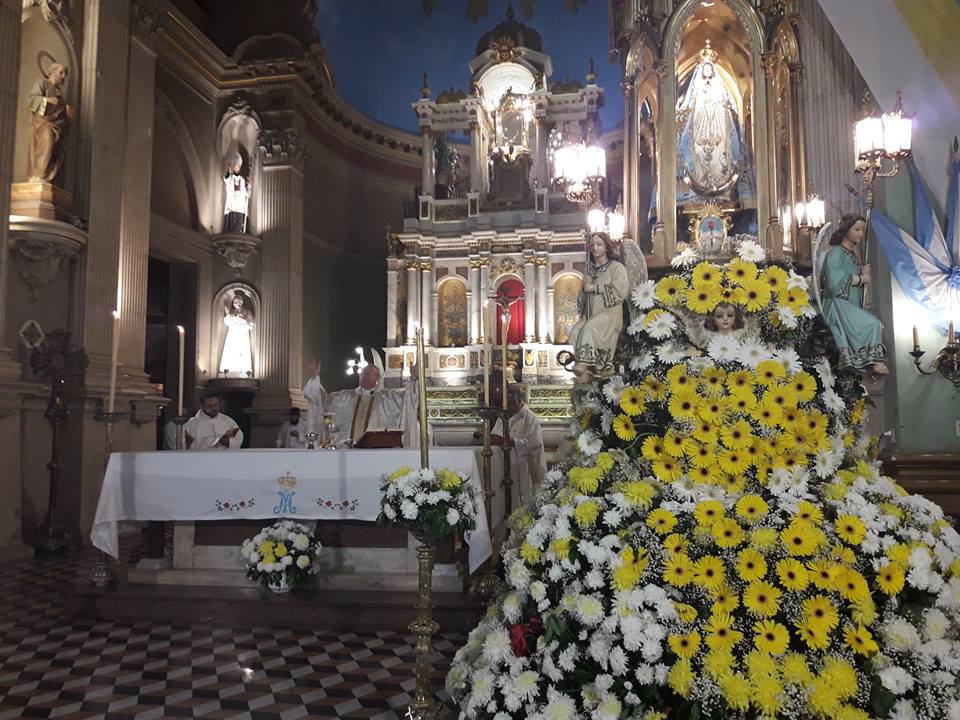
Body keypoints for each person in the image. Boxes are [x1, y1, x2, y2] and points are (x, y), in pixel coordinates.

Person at [820, 214, 888, 375]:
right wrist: (861, 278)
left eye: (862, 230)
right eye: (857, 229)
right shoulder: (836, 252)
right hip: (837, 304)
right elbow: (834, 281)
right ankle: (873, 360)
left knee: (876, 324)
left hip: (848, 304)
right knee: (874, 324)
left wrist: (861, 270)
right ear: (845, 230)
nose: (861, 234)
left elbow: (848, 273)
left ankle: (863, 359)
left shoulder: (850, 254)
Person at [568, 232, 630, 383]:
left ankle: (585, 364)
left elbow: (621, 289)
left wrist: (594, 288)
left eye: (599, 244)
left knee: (589, 328)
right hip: (592, 314)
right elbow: (583, 300)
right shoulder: (590, 271)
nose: (595, 248)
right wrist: (583, 289)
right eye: (592, 245)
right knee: (575, 331)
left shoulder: (616, 267)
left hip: (609, 313)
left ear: (607, 247)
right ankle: (589, 370)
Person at [325, 354, 404, 446]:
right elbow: (324, 400)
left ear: (378, 378)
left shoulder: (387, 398)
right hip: (347, 449)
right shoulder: (345, 397)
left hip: (375, 449)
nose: (366, 376)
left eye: (370, 374)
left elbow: (408, 398)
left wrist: (414, 381)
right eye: (363, 373)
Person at [490, 386, 546, 504]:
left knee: (521, 500)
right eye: (507, 403)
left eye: (511, 402)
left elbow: (535, 443)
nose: (508, 406)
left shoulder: (530, 418)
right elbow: (495, 435)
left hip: (523, 467)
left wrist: (512, 442)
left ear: (520, 401)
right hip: (502, 464)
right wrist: (488, 438)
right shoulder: (502, 417)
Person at [27, 62, 73, 183]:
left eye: (65, 74)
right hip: (42, 124)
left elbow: (62, 119)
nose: (63, 76)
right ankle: (39, 175)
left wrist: (68, 115)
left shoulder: (59, 95)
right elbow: (32, 100)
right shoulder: (42, 83)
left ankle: (46, 176)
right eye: (61, 73)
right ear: (52, 72)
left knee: (58, 153)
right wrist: (48, 101)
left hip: (55, 127)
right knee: (47, 142)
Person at [218, 293, 254, 377]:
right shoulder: (232, 312)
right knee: (231, 350)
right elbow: (227, 322)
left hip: (242, 335)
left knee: (243, 351)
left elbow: (251, 324)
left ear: (242, 302)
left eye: (238, 302)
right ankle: (229, 369)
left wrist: (242, 319)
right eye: (235, 302)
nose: (237, 304)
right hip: (233, 334)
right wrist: (228, 315)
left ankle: (244, 370)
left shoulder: (247, 312)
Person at [401, 363, 433, 448]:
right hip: (410, 422)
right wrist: (413, 380)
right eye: (414, 371)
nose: (415, 372)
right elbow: (410, 397)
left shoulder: (425, 383)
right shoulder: (408, 385)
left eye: (417, 371)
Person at [223, 153, 251, 233]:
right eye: (235, 166)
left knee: (239, 218)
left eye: (238, 166)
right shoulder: (230, 177)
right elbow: (226, 180)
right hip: (232, 201)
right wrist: (229, 172)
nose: (236, 168)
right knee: (231, 218)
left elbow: (247, 193)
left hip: (240, 203)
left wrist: (248, 186)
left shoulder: (243, 179)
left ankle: (240, 230)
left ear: (240, 168)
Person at [302, 356, 326, 435]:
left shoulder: (319, 388)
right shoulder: (310, 384)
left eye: (311, 363)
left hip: (318, 423)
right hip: (311, 420)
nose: (309, 366)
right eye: (308, 364)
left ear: (318, 367)